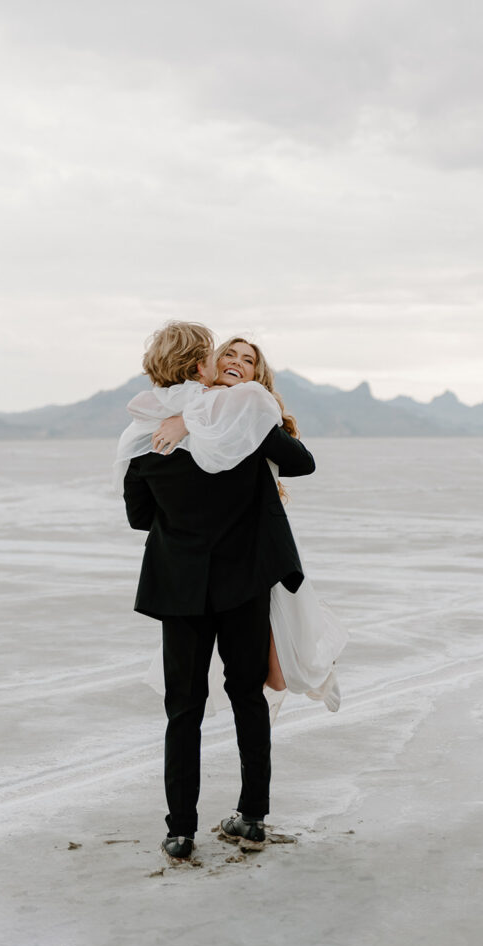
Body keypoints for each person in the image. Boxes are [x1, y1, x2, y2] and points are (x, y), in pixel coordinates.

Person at [119, 321, 317, 860]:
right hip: (242, 585)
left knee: (183, 708)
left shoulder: (141, 438)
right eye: (214, 355)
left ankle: (180, 831)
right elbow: (302, 462)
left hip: (178, 587)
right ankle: (252, 817)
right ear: (199, 365)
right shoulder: (241, 422)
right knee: (246, 696)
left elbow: (140, 517)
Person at [149, 337, 344, 714]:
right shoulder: (192, 410)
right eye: (229, 354)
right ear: (211, 364)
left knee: (275, 675)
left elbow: (302, 462)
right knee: (249, 679)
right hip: (208, 564)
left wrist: (223, 421)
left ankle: (319, 670)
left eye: (248, 360)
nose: (237, 362)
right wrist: (193, 419)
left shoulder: (249, 414)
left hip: (256, 555)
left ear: (257, 374)